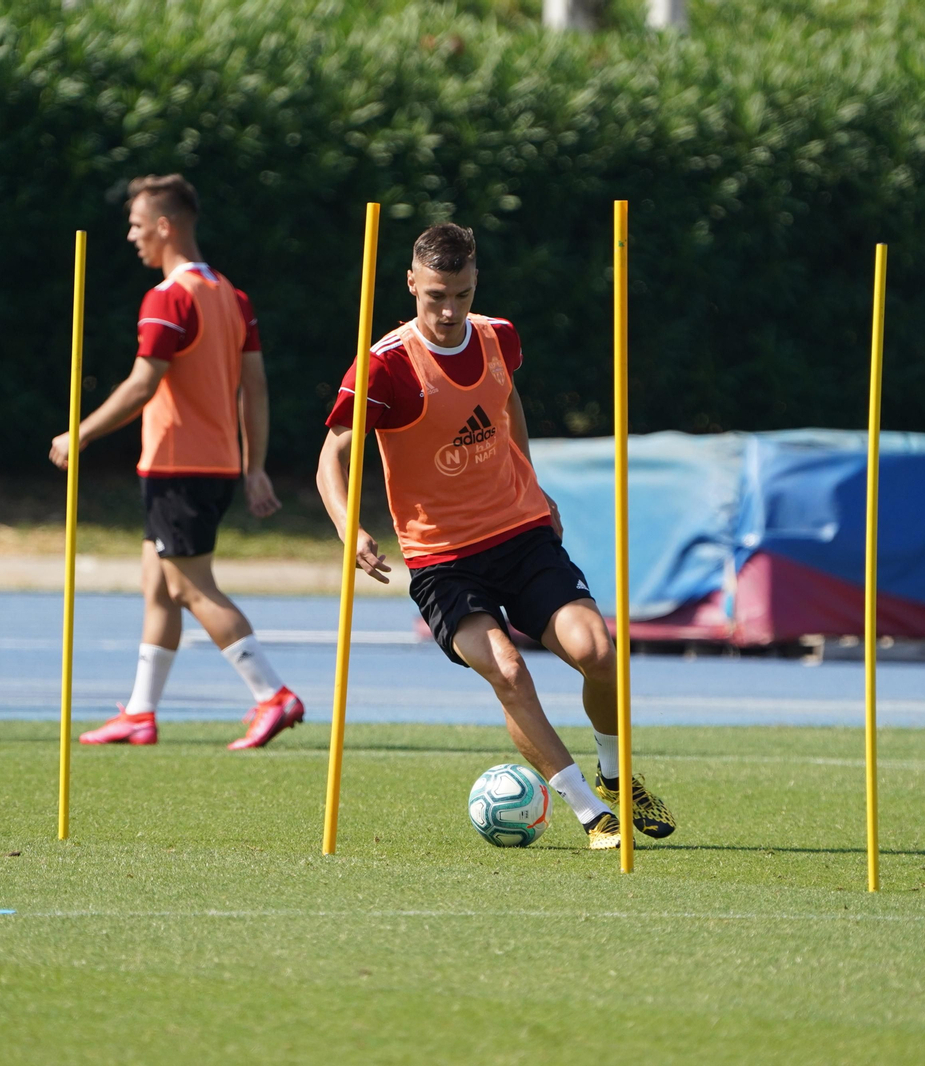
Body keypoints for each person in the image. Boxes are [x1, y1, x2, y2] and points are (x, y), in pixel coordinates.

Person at [315, 222, 675, 850]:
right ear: (410, 283)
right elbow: (331, 458)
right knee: (508, 669)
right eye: (435, 296)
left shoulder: (498, 336)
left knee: (599, 653)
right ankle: (593, 814)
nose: (448, 311)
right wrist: (351, 528)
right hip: (443, 559)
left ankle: (616, 776)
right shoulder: (384, 366)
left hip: (521, 532)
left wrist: (532, 481)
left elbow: (507, 404)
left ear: (475, 281)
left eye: (461, 294)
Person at [50, 174, 303, 750]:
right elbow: (256, 388)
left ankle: (273, 695)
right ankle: (141, 713)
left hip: (178, 467)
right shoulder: (233, 296)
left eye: (137, 225)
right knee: (158, 586)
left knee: (191, 588)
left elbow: (143, 383)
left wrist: (80, 433)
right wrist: (254, 465)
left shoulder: (169, 297)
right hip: (211, 465)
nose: (132, 237)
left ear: (164, 227)